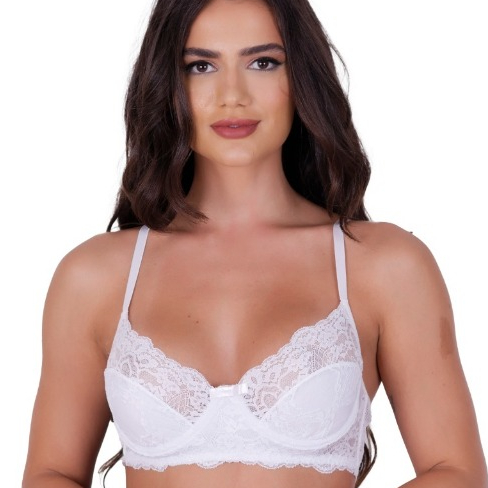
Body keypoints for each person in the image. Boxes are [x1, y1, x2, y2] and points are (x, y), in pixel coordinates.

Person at [22, 0, 487, 487]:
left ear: (302, 78)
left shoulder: (384, 266)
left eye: (263, 62)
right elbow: (52, 473)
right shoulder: (94, 277)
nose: (232, 96)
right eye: (201, 66)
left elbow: (456, 472)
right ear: (168, 84)